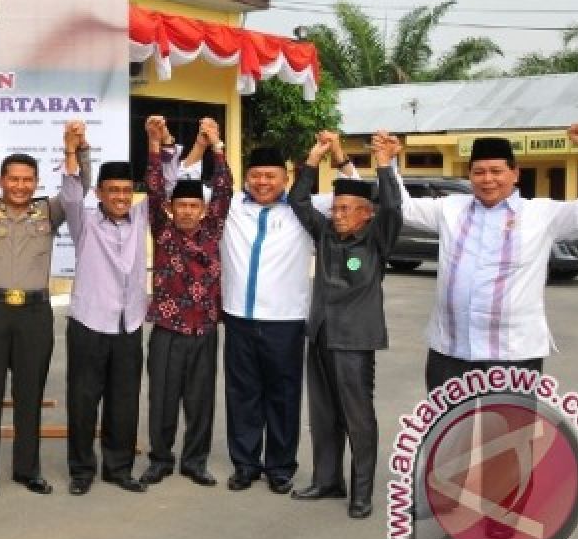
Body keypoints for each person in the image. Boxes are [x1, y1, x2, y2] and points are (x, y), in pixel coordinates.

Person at [394, 123, 578, 538]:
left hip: (512, 348)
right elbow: (402, 207)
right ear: (470, 176)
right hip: (450, 344)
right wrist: (388, 161)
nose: (488, 179)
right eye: (480, 171)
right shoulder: (451, 210)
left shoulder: (541, 214)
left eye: (497, 171)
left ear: (515, 174)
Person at [198, 135, 358, 495]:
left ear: (285, 179)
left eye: (270, 176)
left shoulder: (306, 209)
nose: (262, 183)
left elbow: (357, 192)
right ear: (246, 177)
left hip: (285, 322)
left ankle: (281, 467)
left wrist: (337, 155)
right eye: (255, 175)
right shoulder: (229, 207)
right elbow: (184, 184)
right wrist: (205, 146)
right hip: (238, 317)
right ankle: (245, 464)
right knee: (242, 394)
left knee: (283, 396)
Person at [0, 124, 90, 501]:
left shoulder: (49, 211)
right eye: (14, 179)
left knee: (30, 396)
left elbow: (80, 190)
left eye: (28, 180)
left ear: (36, 181)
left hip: (34, 315)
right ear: (1, 180)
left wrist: (76, 149)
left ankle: (28, 470)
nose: (21, 186)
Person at [288, 131, 401, 519]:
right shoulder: (326, 235)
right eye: (335, 209)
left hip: (355, 340)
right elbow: (298, 201)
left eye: (346, 209)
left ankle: (362, 492)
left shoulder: (376, 240)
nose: (336, 215)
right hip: (320, 334)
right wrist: (313, 157)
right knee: (323, 414)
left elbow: (392, 207)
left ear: (366, 214)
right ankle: (327, 480)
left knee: (357, 416)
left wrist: (384, 163)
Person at [139, 116, 233, 488]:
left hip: (204, 329)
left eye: (195, 205)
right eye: (183, 206)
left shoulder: (213, 229)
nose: (189, 211)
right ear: (173, 209)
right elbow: (154, 187)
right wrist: (152, 144)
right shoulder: (162, 231)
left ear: (203, 209)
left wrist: (218, 148)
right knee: (161, 399)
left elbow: (224, 189)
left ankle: (195, 462)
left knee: (200, 401)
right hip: (167, 330)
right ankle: (160, 460)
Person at [60, 123, 147, 495]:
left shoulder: (142, 219)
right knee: (83, 400)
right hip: (89, 324)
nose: (121, 197)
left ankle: (119, 468)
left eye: (127, 190)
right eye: (113, 190)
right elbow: (69, 196)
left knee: (124, 401)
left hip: (129, 324)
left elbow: (166, 186)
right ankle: (81, 471)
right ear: (99, 192)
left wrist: (162, 143)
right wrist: (72, 151)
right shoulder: (84, 223)